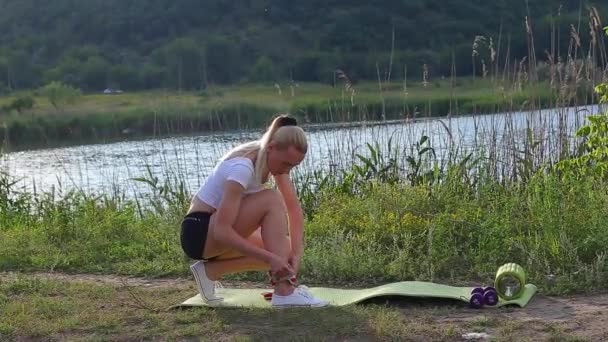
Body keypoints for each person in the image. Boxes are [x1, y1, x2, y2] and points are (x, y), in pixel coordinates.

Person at [180, 114, 329, 308]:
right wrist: (271, 259)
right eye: (286, 164)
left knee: (283, 246)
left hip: (213, 232)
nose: (287, 171)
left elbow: (294, 209)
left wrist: (295, 255)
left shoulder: (272, 162)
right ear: (271, 148)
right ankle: (285, 294)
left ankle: (210, 272)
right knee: (271, 199)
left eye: (293, 166)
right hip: (199, 233)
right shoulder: (243, 168)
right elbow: (222, 231)